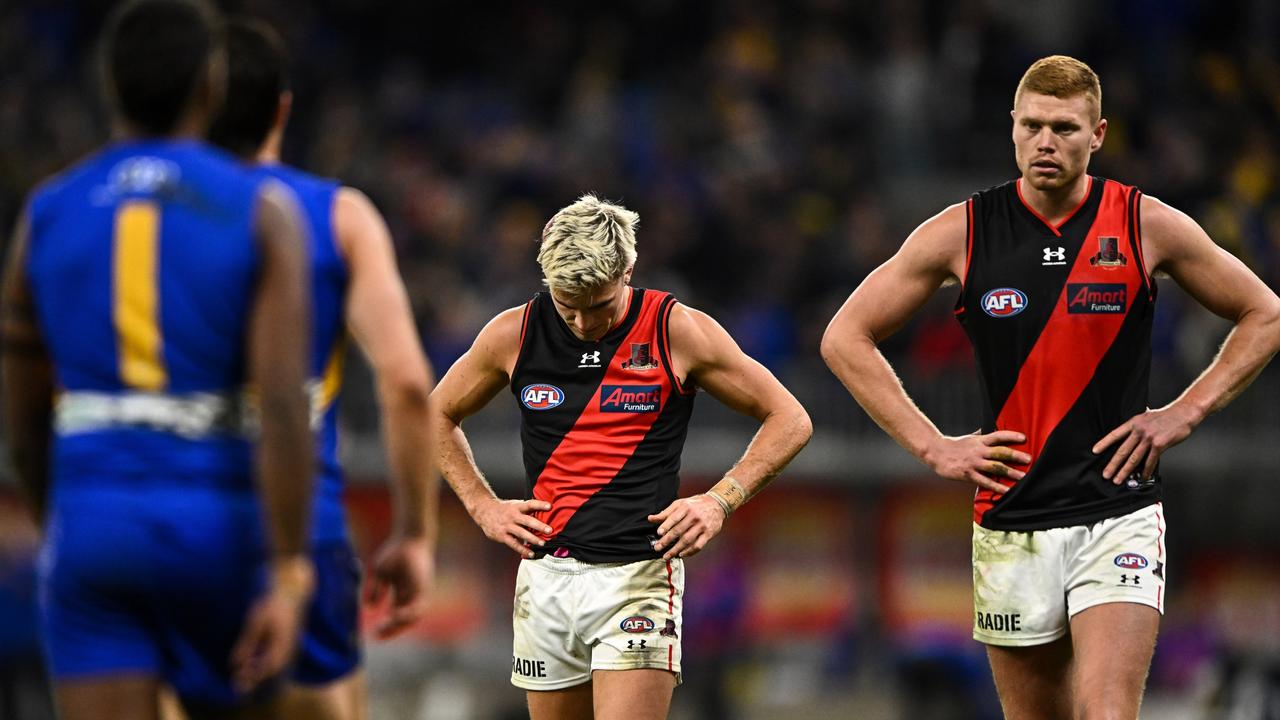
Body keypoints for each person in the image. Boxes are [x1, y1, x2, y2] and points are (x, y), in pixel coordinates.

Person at [821, 54, 1280, 719]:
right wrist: (933, 446)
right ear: (1011, 127)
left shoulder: (1144, 224)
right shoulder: (963, 231)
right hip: (1011, 520)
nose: (1045, 141)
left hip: (1117, 512)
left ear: (1097, 135)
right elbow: (844, 337)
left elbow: (1264, 313)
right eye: (1032, 125)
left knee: (1106, 710)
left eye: (1064, 128)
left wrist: (1185, 410)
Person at [0, 1, 316, 718]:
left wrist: (64, 525)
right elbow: (283, 405)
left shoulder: (47, 211)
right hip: (215, 522)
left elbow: (21, 414)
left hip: (91, 517)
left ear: (109, 87)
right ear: (210, 85)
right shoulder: (260, 209)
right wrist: (290, 571)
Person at [430, 194, 812, 720]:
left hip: (638, 578)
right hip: (546, 577)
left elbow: (790, 419)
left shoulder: (675, 330)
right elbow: (432, 416)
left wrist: (720, 500)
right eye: (569, 306)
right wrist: (482, 505)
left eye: (599, 306)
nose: (584, 323)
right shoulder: (511, 335)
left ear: (629, 270)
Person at [206, 17, 439, 720]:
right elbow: (405, 383)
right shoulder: (338, 216)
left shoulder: (141, 216)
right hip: (302, 525)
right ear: (283, 107)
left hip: (177, 521)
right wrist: (416, 532)